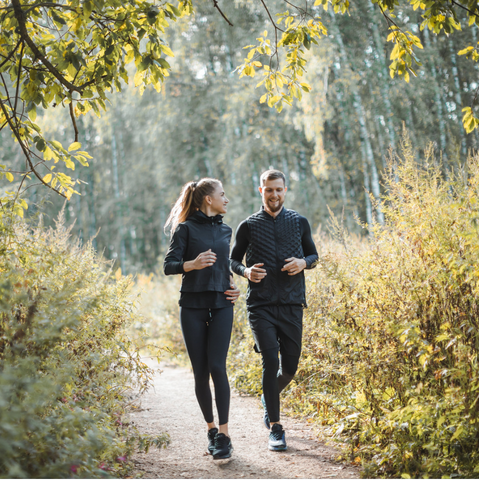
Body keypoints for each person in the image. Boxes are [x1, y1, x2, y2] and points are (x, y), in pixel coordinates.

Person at [230, 169, 318, 451]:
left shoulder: (299, 222)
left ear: (285, 190)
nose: (274, 194)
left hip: (292, 303)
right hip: (261, 305)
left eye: (279, 189)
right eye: (269, 190)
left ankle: (269, 398)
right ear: (261, 191)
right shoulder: (249, 225)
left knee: (290, 367)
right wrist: (245, 272)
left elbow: (313, 255)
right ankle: (276, 429)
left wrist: (304, 263)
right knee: (270, 360)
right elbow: (232, 261)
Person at [163, 178, 239, 460]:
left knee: (218, 367)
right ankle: (210, 429)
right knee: (201, 371)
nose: (226, 199)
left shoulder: (226, 230)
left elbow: (224, 268)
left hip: (222, 304)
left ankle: (224, 435)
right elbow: (168, 265)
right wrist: (191, 264)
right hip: (193, 305)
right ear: (209, 199)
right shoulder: (185, 229)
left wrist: (233, 286)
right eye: (222, 194)